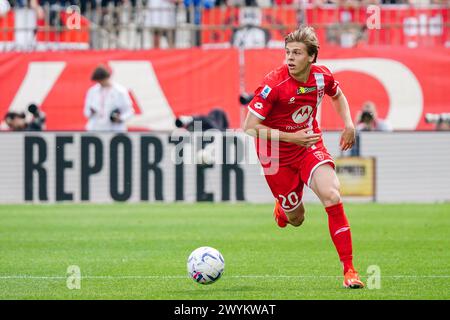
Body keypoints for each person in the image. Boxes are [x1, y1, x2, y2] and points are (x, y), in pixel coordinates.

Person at [243, 26, 365, 289]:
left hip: (309, 145)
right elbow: (249, 126)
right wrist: (291, 137)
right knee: (297, 219)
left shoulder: (322, 77)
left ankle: (350, 271)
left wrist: (349, 124)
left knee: (332, 195)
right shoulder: (273, 84)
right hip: (275, 155)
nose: (289, 58)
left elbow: (338, 95)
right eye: (287, 52)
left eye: (296, 53)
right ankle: (285, 209)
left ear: (311, 57)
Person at [84, 65, 135, 132]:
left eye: (101, 80)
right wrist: (91, 112)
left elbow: (130, 111)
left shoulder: (120, 91)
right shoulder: (92, 91)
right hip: (95, 128)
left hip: (114, 130)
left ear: (107, 77)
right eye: (98, 81)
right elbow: (86, 111)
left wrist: (120, 118)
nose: (100, 83)